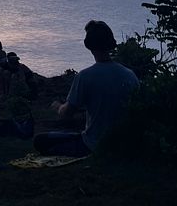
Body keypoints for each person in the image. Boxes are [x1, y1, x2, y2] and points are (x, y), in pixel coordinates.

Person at [33, 20, 138, 157]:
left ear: (88, 45)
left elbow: (67, 113)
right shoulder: (129, 75)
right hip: (123, 144)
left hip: (93, 145)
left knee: (40, 140)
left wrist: (58, 106)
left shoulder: (85, 76)